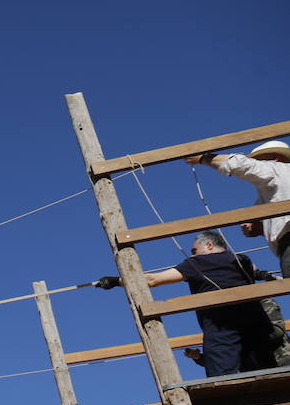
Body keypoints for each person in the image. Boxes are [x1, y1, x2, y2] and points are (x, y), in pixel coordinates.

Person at [99, 231, 280, 376]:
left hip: (221, 325)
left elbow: (153, 279)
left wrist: (117, 281)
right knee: (267, 373)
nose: (192, 254)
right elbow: (258, 272)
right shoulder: (243, 260)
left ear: (209, 245)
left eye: (194, 250)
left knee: (223, 377)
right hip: (258, 324)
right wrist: (271, 278)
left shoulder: (197, 262)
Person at [189, 141, 290, 278]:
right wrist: (262, 227)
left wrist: (203, 158)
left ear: (275, 157)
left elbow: (240, 164)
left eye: (260, 160)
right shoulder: (275, 188)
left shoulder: (278, 169)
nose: (257, 163)